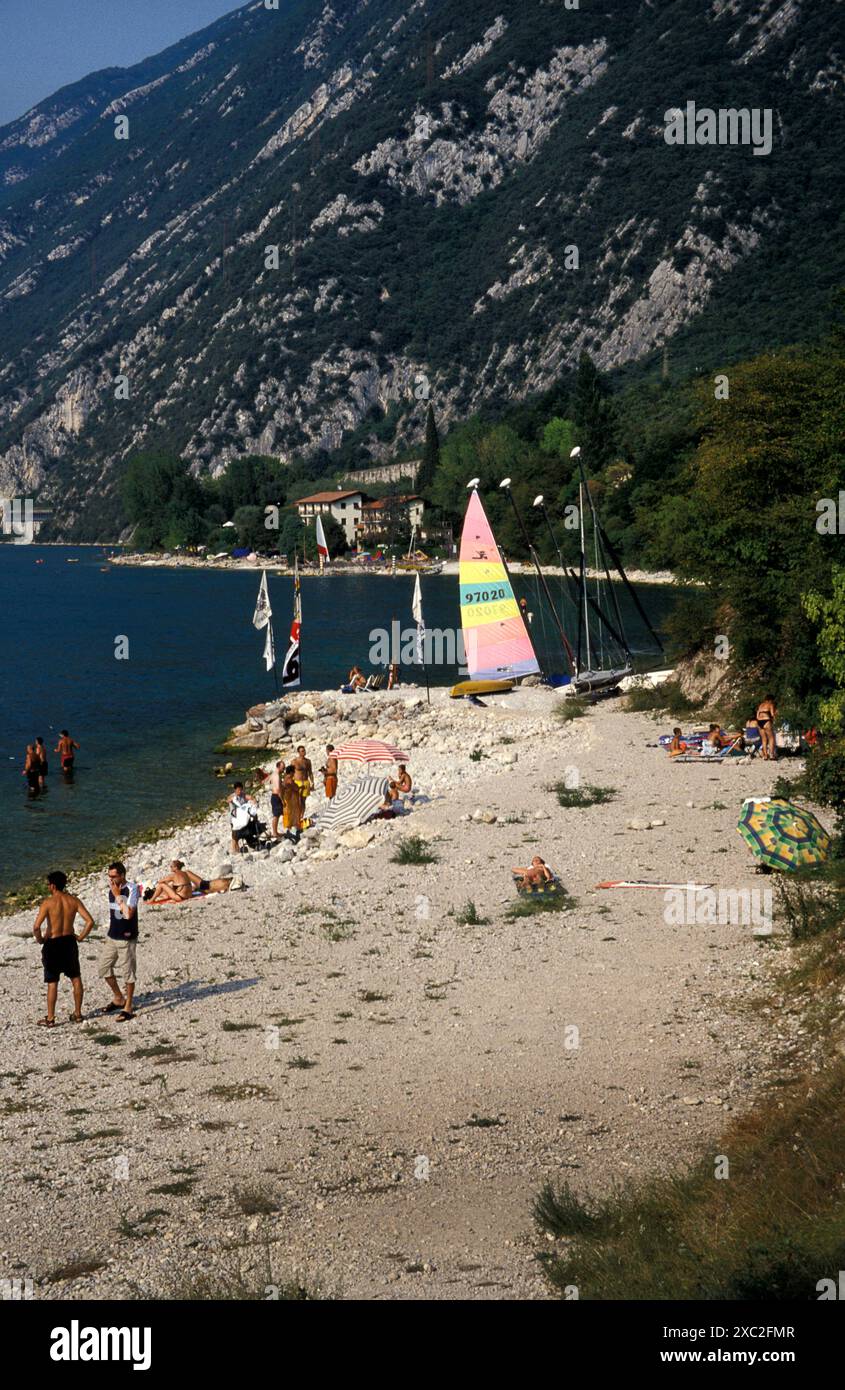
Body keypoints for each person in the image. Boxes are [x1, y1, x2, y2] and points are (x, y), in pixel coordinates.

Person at [32, 870, 95, 1026]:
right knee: (75, 977)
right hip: (68, 942)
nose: (47, 887)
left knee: (52, 982)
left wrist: (40, 940)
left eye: (48, 884)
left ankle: (51, 1018)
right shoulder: (73, 901)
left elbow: (36, 927)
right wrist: (80, 937)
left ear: (53, 886)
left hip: (52, 943)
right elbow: (90, 921)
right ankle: (78, 1014)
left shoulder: (47, 903)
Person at [98, 862, 139, 1021]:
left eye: (114, 876)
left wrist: (117, 895)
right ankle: (118, 998)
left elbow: (128, 914)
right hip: (112, 936)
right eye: (109, 876)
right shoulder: (112, 888)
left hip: (126, 938)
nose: (111, 879)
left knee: (128, 972)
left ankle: (128, 1006)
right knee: (104, 967)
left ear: (122, 875)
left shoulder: (132, 889)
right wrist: (115, 893)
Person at [228, 782, 259, 854]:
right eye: (238, 790)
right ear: (235, 790)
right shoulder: (233, 796)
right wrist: (232, 800)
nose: (240, 791)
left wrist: (253, 801)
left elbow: (250, 797)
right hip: (234, 818)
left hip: (242, 817)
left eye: (241, 790)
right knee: (234, 833)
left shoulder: (243, 795)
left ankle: (249, 841)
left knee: (242, 830)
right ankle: (235, 848)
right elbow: (228, 799)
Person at [281, 766, 304, 841]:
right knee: (293, 814)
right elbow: (295, 788)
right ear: (291, 772)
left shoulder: (285, 778)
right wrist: (301, 787)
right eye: (293, 772)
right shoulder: (289, 780)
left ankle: (290, 830)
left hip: (288, 798)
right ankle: (293, 832)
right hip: (291, 799)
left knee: (289, 814)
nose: (294, 773)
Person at [756, 694, 778, 761]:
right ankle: (771, 755)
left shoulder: (760, 705)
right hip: (766, 720)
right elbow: (772, 714)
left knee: (764, 739)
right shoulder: (770, 705)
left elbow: (757, 716)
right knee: (771, 738)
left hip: (759, 722)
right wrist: (775, 716)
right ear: (771, 700)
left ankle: (765, 756)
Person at [268, 759, 285, 839]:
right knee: (276, 815)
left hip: (274, 796)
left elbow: (269, 782)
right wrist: (282, 800)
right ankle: (274, 833)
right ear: (278, 767)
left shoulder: (273, 774)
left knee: (277, 814)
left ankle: (276, 832)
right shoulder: (277, 776)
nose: (283, 770)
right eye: (283, 768)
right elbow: (278, 790)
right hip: (276, 796)